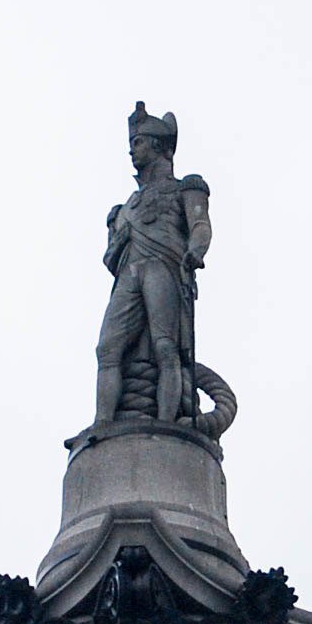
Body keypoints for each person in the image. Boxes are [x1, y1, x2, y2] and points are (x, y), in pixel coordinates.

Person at [94, 103, 212, 428]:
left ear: (158, 145)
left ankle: (166, 422)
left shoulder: (185, 188)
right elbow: (110, 256)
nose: (131, 151)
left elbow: (200, 225)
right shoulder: (124, 208)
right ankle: (102, 424)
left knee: (165, 348)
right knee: (108, 348)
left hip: (164, 268)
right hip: (131, 273)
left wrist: (196, 249)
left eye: (138, 143)